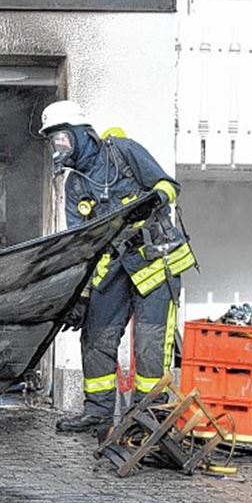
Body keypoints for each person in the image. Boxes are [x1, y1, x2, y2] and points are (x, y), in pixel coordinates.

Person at [39, 101, 195, 433]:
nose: (59, 147)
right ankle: (97, 413)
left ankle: (147, 418)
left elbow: (169, 185)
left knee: (150, 344)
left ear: (81, 134)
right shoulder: (75, 186)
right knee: (95, 337)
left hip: (155, 263)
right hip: (113, 269)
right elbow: (80, 247)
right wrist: (78, 297)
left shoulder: (123, 152)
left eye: (63, 138)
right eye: (54, 142)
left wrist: (154, 199)